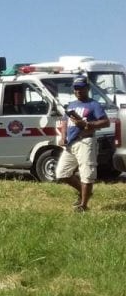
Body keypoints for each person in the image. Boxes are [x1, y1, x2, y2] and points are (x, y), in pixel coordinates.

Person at [55, 75, 110, 212]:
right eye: (76, 88)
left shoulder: (94, 104)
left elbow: (106, 122)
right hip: (71, 143)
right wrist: (63, 136)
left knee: (87, 173)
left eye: (81, 88)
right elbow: (65, 122)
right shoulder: (72, 104)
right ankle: (84, 191)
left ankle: (83, 206)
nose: (78, 91)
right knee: (62, 173)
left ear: (87, 88)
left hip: (86, 141)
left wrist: (87, 124)